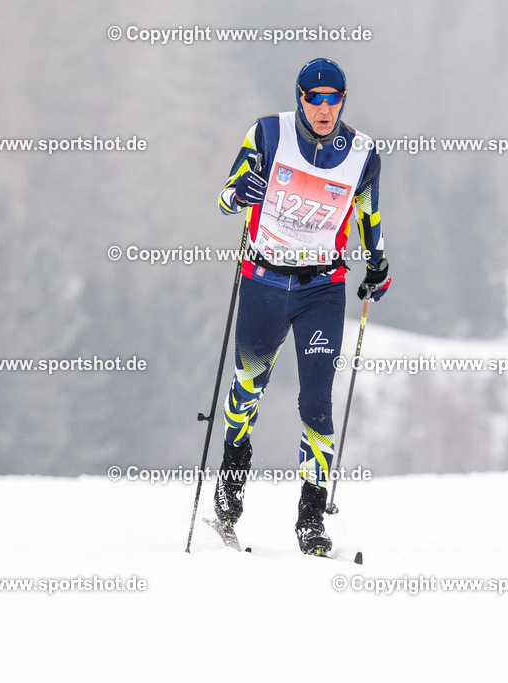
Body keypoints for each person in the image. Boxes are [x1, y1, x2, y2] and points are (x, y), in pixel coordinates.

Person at [211, 57, 390, 555]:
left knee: (316, 400)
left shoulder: (362, 153)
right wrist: (239, 193)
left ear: (343, 101)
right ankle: (230, 486)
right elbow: (225, 199)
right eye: (315, 99)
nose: (324, 109)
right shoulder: (268, 134)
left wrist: (377, 264)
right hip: (264, 282)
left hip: (321, 290)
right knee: (248, 388)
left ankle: (311, 517)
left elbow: (368, 215)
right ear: (300, 98)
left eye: (334, 100)